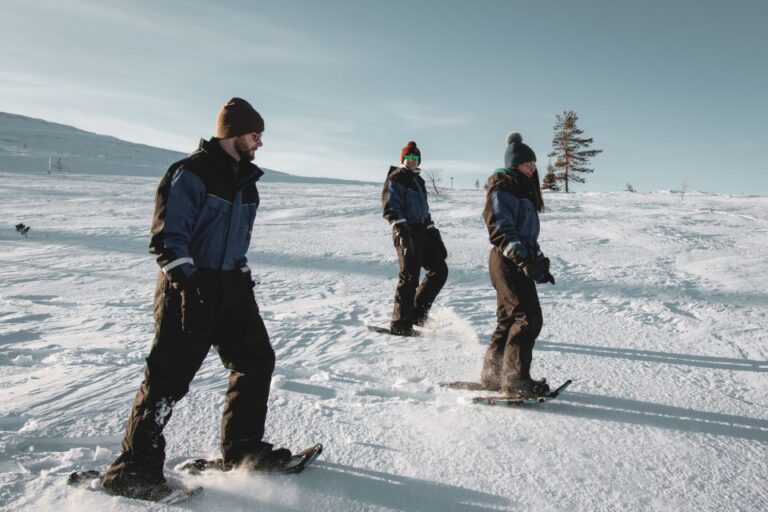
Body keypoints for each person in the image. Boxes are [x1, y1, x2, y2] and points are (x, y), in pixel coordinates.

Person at [102, 98, 291, 500]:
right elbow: (168, 238)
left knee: (256, 359)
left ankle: (242, 452)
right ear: (235, 133)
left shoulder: (246, 180)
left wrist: (240, 278)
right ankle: (132, 471)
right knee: (167, 378)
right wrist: (188, 285)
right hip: (189, 286)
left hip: (231, 286)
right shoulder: (190, 173)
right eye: (256, 135)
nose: (260, 143)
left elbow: (237, 240)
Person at [480, 132, 555, 398]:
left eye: (534, 163)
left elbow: (526, 236)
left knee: (508, 319)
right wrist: (522, 258)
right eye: (527, 163)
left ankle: (493, 376)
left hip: (512, 260)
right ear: (514, 164)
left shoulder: (522, 191)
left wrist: (539, 261)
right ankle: (514, 379)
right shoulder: (504, 187)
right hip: (506, 260)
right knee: (527, 317)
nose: (533, 167)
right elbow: (500, 228)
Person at [381, 141, 448, 336]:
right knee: (409, 276)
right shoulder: (396, 178)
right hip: (406, 231)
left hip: (423, 232)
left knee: (440, 270)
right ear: (403, 159)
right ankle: (400, 323)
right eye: (408, 158)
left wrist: (434, 233)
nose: (412, 161)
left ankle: (418, 314)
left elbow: (424, 212)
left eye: (415, 158)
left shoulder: (419, 182)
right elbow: (391, 207)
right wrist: (402, 232)